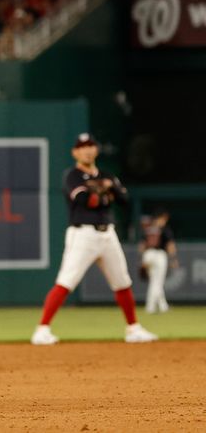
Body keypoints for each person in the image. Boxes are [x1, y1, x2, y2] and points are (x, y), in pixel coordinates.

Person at [31, 133, 158, 345]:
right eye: (82, 146)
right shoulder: (72, 176)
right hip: (83, 235)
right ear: (75, 152)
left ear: (96, 150)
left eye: (90, 145)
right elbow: (85, 200)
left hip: (107, 234)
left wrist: (106, 191)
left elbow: (123, 199)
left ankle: (133, 329)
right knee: (66, 281)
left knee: (122, 282)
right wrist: (106, 191)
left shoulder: (107, 174)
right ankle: (42, 329)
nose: (87, 150)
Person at [139, 208, 178, 313]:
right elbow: (170, 245)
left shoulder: (148, 228)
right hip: (159, 255)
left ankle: (163, 306)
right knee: (157, 282)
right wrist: (173, 259)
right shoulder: (164, 229)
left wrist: (142, 259)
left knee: (154, 282)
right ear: (162, 218)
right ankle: (150, 307)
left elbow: (142, 246)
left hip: (148, 255)